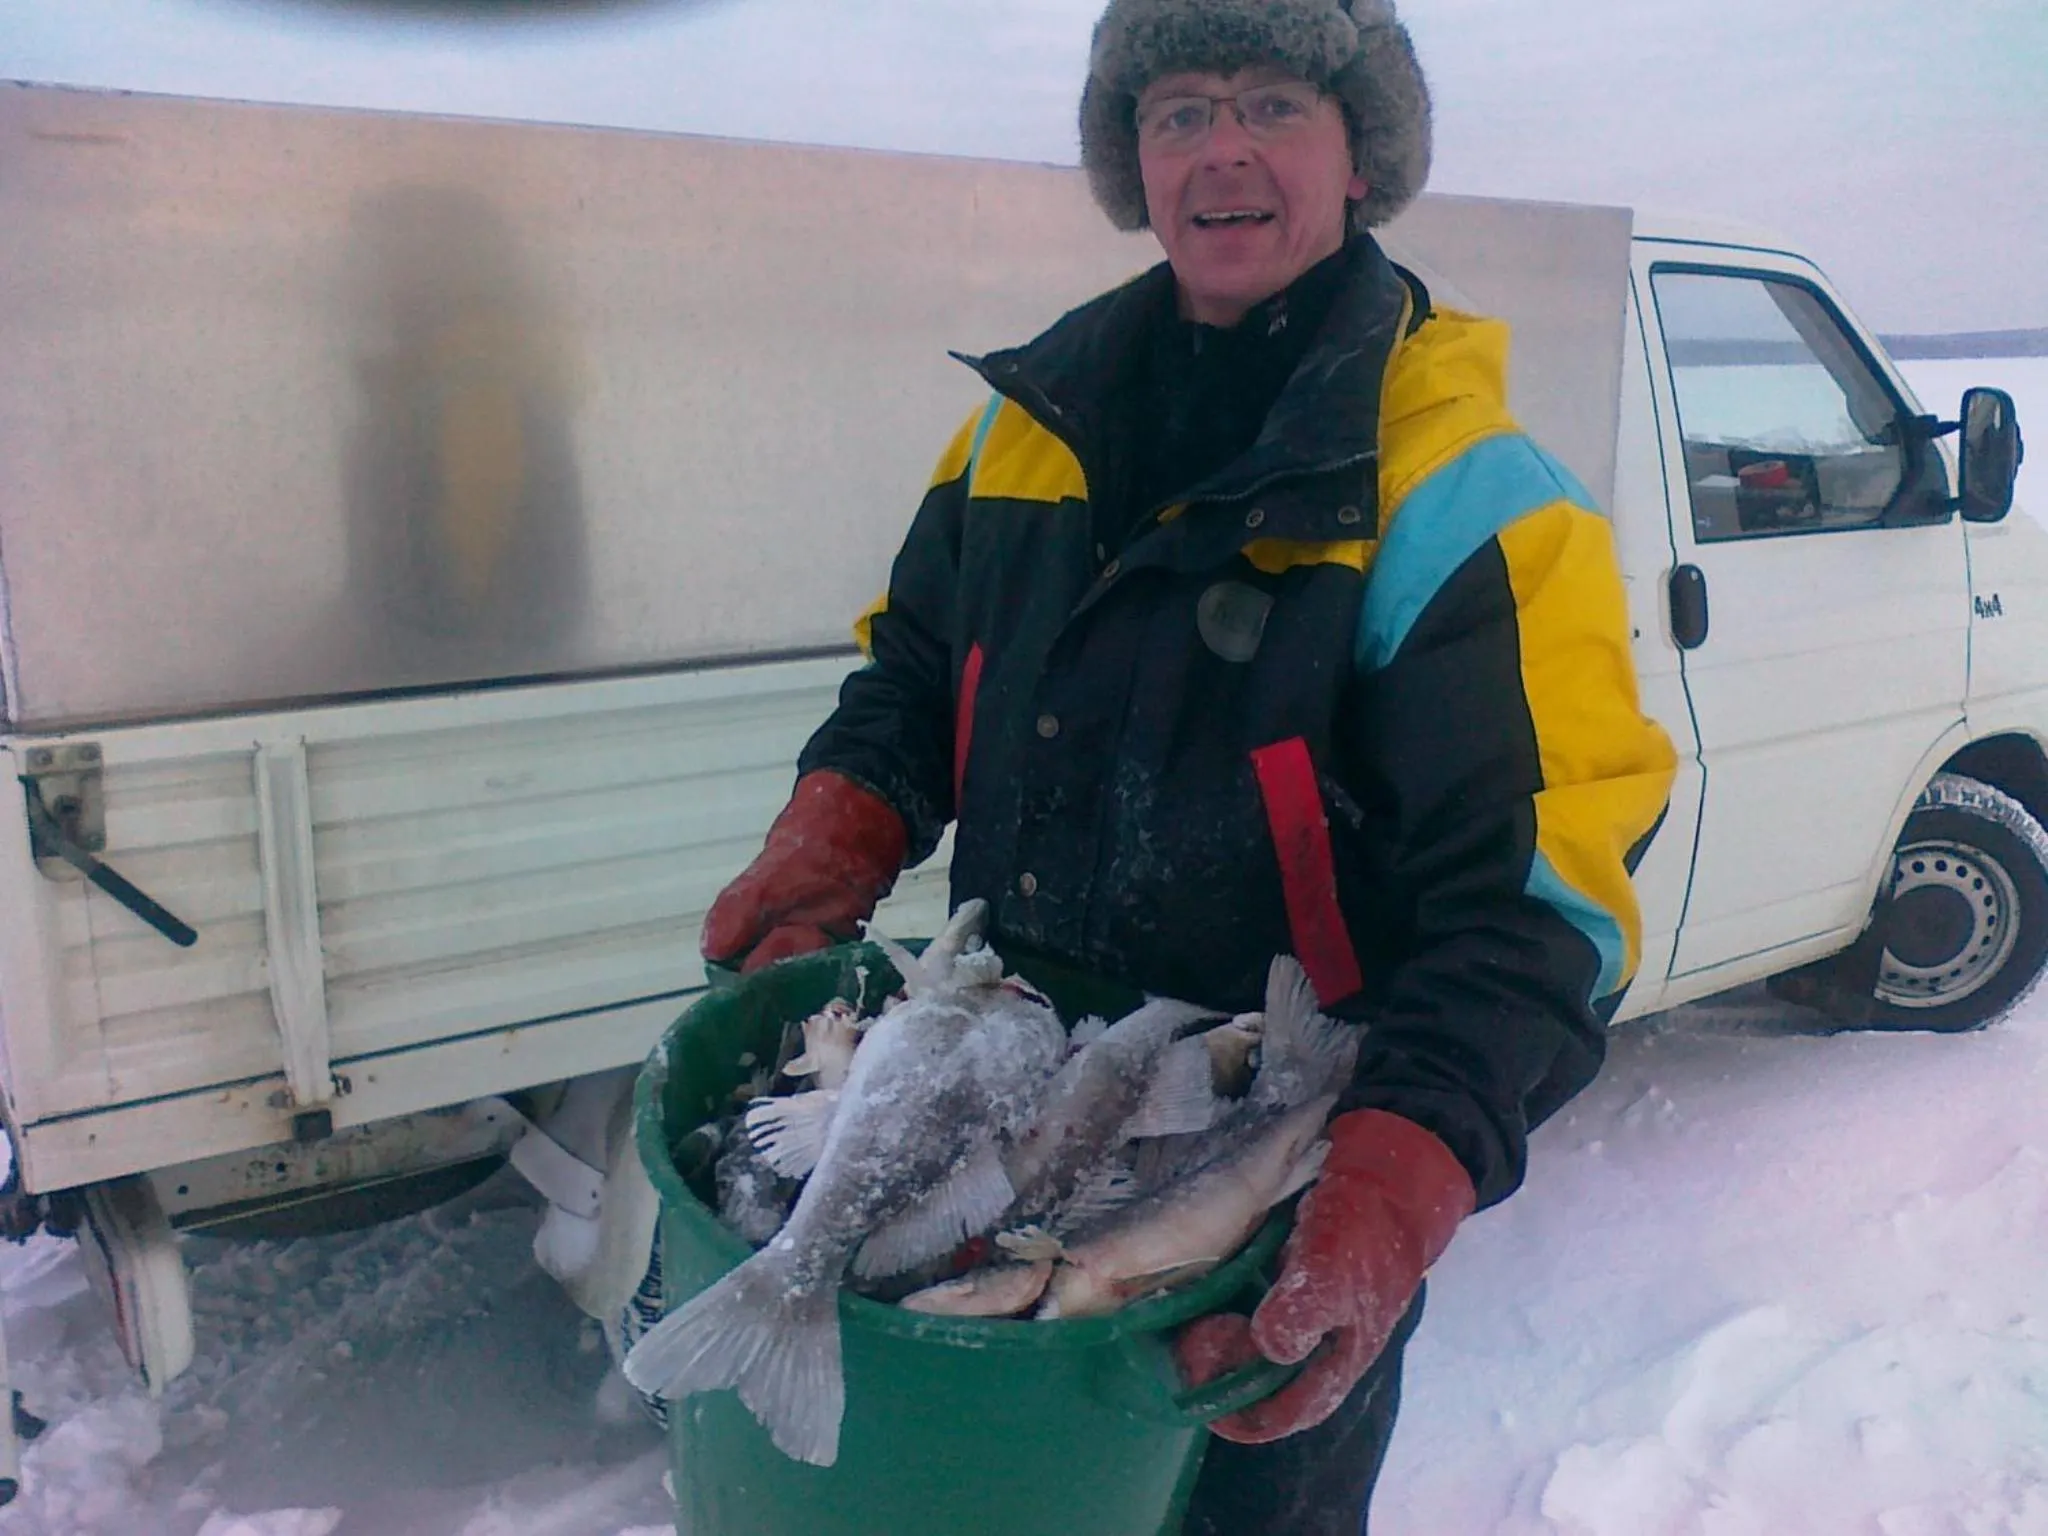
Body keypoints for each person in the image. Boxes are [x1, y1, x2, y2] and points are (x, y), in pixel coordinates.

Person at [701, 0, 1678, 1527]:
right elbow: (915, 676)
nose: (1221, 147)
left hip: (1261, 1183)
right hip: (998, 1105)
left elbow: (1543, 910)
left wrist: (1397, 1180)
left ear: (1364, 158)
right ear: (1134, 165)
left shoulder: (1468, 498)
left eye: (1273, 100)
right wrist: (839, 823)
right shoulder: (1020, 436)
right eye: (1177, 111)